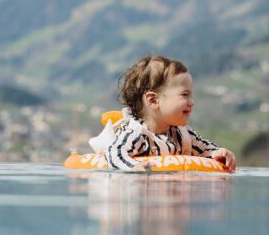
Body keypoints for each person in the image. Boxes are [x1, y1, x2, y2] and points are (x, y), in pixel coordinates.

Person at [99, 55, 237, 172]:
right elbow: (115, 153)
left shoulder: (183, 135)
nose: (191, 102)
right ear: (153, 100)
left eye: (191, 95)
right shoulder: (135, 134)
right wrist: (134, 167)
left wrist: (219, 153)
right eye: (185, 94)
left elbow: (204, 149)